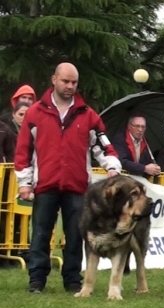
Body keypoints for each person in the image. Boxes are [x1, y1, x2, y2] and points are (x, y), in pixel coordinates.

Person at [14, 63, 121, 293]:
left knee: (75, 236)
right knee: (41, 233)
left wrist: (112, 167)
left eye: (74, 82)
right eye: (65, 81)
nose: (70, 86)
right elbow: (23, 150)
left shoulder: (88, 115)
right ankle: (37, 280)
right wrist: (24, 182)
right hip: (45, 184)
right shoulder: (35, 113)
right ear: (54, 79)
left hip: (77, 186)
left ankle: (73, 280)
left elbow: (104, 147)